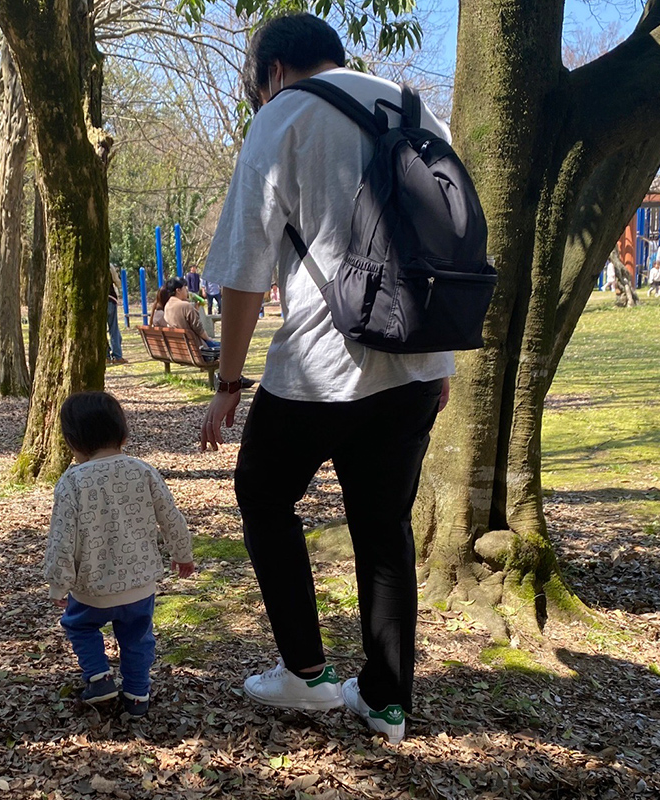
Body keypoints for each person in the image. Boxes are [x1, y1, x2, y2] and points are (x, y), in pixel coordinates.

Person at [197, 13, 453, 745]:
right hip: (417, 359)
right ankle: (386, 702)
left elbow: (244, 271)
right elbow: (449, 238)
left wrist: (229, 383)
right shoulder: (413, 107)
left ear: (273, 71)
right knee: (383, 525)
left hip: (322, 362)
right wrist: (442, 359)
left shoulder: (282, 117)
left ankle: (306, 673)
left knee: (262, 493)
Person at [44, 392, 195, 717]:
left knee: (79, 626)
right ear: (124, 435)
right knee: (138, 637)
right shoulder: (142, 470)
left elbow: (62, 537)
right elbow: (170, 516)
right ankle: (138, 694)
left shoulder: (72, 481)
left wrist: (59, 583)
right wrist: (182, 553)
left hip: (92, 587)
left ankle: (99, 678)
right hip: (140, 584)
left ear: (72, 442)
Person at [162, 276, 218, 357]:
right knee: (227, 347)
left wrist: (194, 310)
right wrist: (209, 339)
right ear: (178, 290)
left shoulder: (167, 306)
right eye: (185, 288)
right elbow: (199, 329)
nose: (187, 291)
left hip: (180, 349)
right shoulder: (185, 306)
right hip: (197, 349)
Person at [107, 267, 126, 365]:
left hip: (96, 302)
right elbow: (118, 282)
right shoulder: (109, 266)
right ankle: (117, 356)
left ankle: (106, 356)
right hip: (110, 299)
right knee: (113, 329)